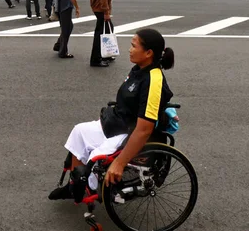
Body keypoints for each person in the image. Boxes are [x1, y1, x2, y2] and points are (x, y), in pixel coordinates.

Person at [48, 29, 174, 201]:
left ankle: (89, 192)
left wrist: (120, 163)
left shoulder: (153, 79)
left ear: (148, 53)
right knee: (79, 132)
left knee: (95, 158)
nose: (129, 49)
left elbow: (144, 129)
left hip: (128, 132)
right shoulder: (139, 69)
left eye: (133, 46)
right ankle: (75, 185)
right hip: (117, 122)